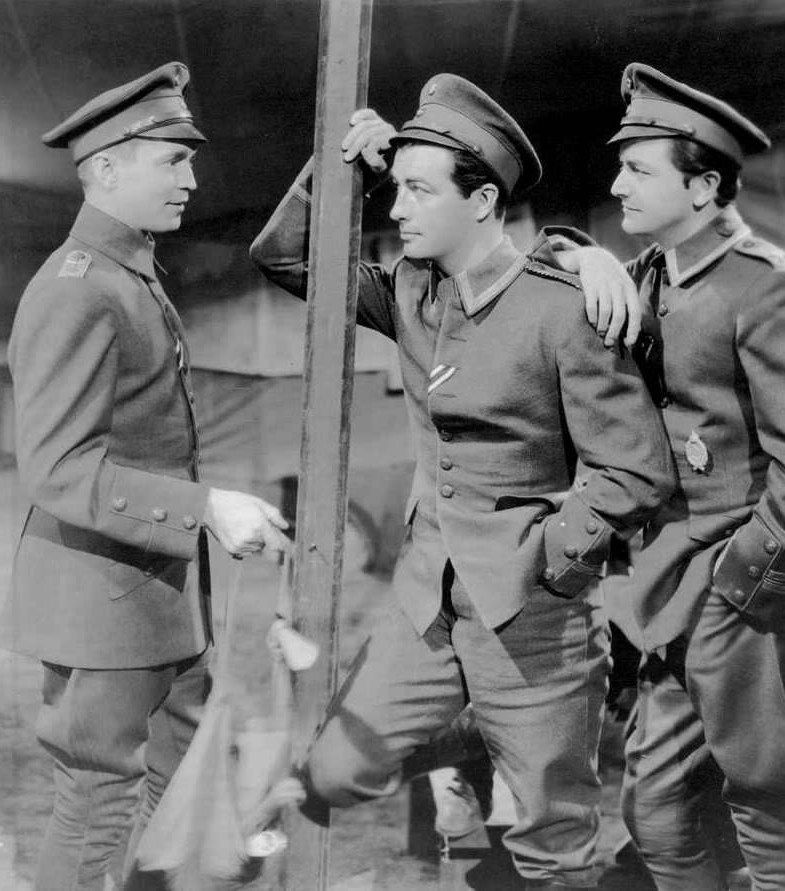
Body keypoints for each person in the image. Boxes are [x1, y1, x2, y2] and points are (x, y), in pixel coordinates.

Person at [249, 74, 675, 890]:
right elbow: (287, 258)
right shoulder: (413, 286)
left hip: (533, 617)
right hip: (425, 600)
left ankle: (512, 726)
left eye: (418, 190)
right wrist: (349, 171)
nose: (398, 208)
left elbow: (635, 469)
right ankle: (483, 729)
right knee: (337, 768)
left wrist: (550, 557)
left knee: (555, 848)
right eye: (397, 188)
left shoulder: (565, 308)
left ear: (481, 201)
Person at [556, 63, 785, 890]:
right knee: (653, 811)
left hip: (753, 593)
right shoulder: (649, 274)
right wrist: (577, 255)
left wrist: (735, 588)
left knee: (768, 810)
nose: (616, 184)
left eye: (637, 169)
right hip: (672, 586)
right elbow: (547, 274)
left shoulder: (768, 287)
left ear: (701, 186)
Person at [0, 62, 291, 891]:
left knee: (179, 790)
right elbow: (59, 469)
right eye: (173, 160)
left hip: (157, 596)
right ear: (106, 168)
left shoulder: (129, 273)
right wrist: (205, 507)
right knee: (96, 804)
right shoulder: (77, 289)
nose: (191, 179)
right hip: (103, 603)